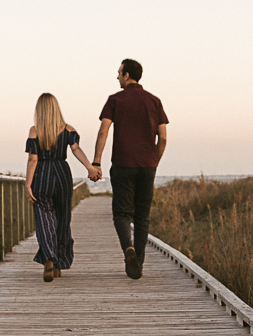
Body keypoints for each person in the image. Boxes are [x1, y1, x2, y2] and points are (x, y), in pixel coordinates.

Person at [92, 58, 168, 279]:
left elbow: (103, 131)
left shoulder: (115, 100)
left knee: (122, 214)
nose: (117, 76)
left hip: (123, 164)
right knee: (142, 217)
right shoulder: (154, 101)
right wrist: (154, 160)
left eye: (119, 73)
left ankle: (128, 249)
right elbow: (162, 137)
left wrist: (96, 162)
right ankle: (139, 264)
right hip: (147, 165)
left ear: (126, 75)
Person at [24, 92, 93, 283]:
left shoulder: (35, 130)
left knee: (44, 217)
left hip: (42, 174)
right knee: (63, 217)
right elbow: (76, 149)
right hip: (62, 173)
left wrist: (28, 184)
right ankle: (60, 262)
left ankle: (49, 258)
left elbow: (32, 158)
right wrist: (89, 167)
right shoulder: (68, 129)